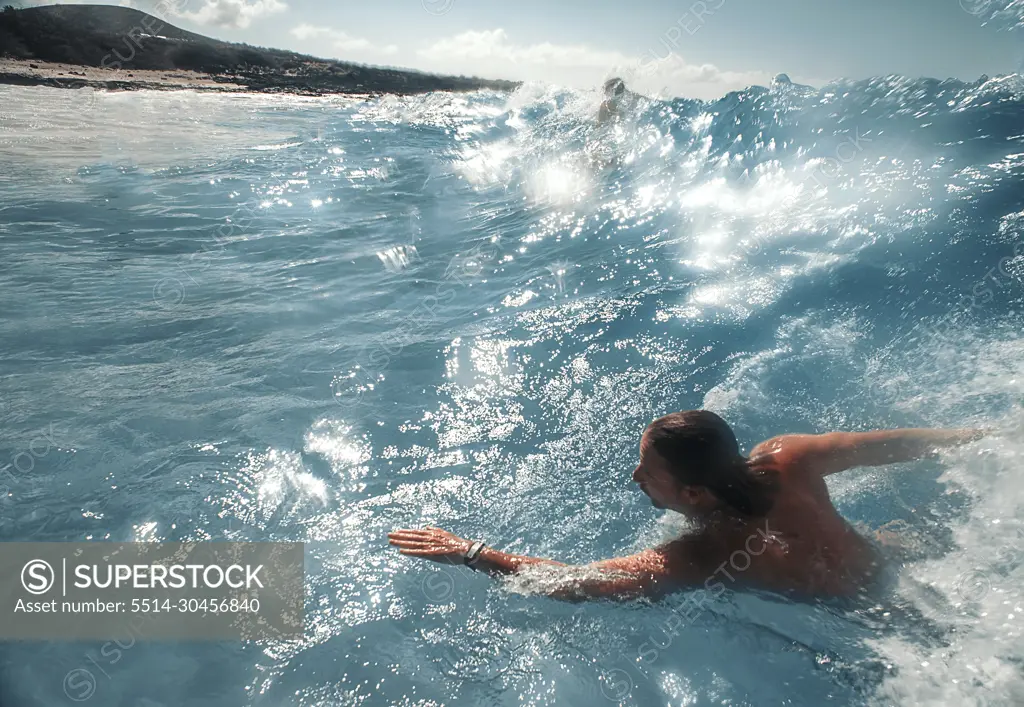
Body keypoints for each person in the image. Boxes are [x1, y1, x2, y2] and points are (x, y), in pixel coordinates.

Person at [388, 410, 991, 600]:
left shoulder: (705, 552)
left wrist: (470, 552)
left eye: (648, 473)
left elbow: (580, 582)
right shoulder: (791, 458)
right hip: (890, 570)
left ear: (693, 494)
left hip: (859, 624)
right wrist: (980, 438)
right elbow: (895, 446)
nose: (635, 476)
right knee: (886, 541)